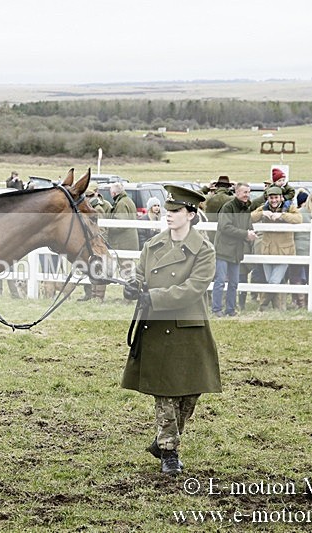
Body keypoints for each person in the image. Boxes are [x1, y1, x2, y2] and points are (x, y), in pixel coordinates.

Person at [121, 185, 220, 476]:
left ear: (191, 214)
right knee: (164, 393)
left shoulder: (204, 250)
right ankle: (168, 451)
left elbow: (194, 288)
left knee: (190, 393)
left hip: (190, 327)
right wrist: (133, 288)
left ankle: (165, 438)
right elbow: (140, 276)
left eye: (175, 211)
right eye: (168, 210)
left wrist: (156, 297)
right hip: (157, 327)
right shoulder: (153, 246)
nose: (169, 215)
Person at [251, 185, 302, 311]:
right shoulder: (264, 207)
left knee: (274, 281)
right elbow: (250, 217)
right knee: (272, 281)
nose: (273, 200)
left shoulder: (289, 208)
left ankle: (262, 307)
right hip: (268, 251)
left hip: (284, 251)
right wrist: (263, 213)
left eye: (276, 197)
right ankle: (279, 307)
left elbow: (299, 219)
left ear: (281, 198)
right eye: (271, 198)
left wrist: (282, 216)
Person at [212, 182, 257, 317]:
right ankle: (216, 309)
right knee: (220, 281)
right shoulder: (228, 207)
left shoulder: (246, 209)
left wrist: (251, 234)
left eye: (248, 192)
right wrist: (245, 234)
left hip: (236, 251)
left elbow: (248, 226)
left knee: (234, 283)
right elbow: (225, 227)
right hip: (223, 250)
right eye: (244, 192)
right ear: (237, 193)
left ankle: (230, 310)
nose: (247, 195)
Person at [288, 190, 312, 309]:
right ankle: (309, 300)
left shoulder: (299, 213)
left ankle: (299, 301)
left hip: (298, 248)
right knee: (311, 276)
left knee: (295, 276)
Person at [77, 181, 112, 302]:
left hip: (98, 243)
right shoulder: (88, 208)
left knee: (99, 270)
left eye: (90, 196)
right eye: (86, 196)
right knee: (90, 268)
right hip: (90, 243)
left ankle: (98, 297)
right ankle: (90, 294)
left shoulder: (98, 209)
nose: (87, 198)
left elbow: (101, 229)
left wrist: (99, 243)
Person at [108, 182, 139, 291]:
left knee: (126, 270)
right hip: (129, 241)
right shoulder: (128, 201)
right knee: (128, 269)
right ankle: (130, 293)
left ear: (114, 193)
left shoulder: (121, 203)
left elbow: (120, 224)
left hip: (124, 242)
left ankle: (130, 294)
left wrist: (108, 227)